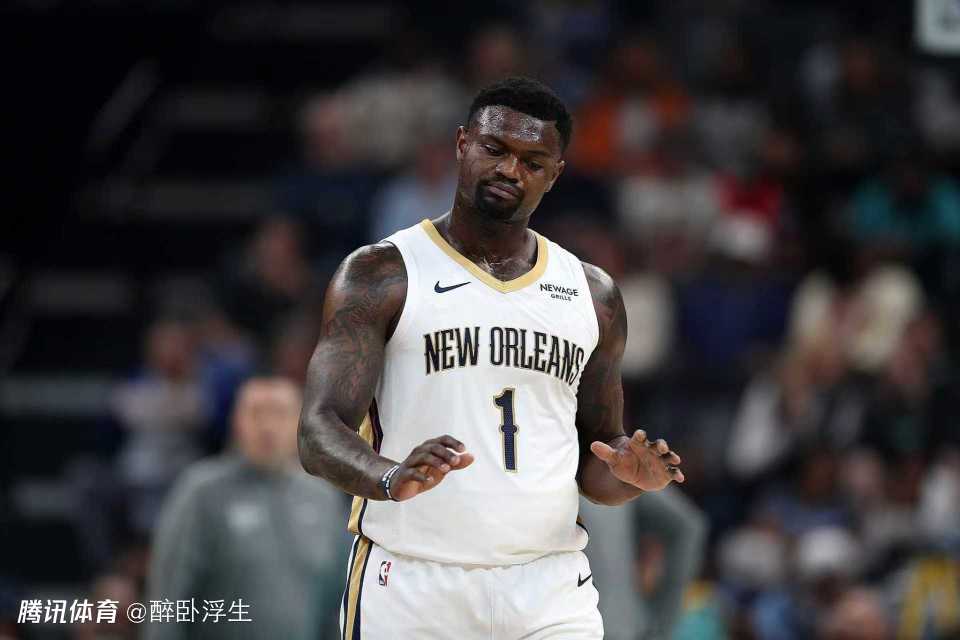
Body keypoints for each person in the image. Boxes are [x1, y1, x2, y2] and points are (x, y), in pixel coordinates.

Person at [298, 77, 685, 639]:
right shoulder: (381, 274)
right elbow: (317, 431)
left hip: (550, 586)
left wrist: (631, 478)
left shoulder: (593, 294)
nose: (510, 170)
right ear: (462, 144)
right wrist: (389, 476)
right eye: (495, 148)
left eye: (532, 161)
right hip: (413, 582)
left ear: (555, 174)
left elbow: (596, 459)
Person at [146, 378, 348, 640]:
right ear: (236, 422)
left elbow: (338, 600)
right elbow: (168, 596)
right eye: (256, 413)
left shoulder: (323, 497)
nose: (267, 426)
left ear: (300, 423)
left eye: (279, 413)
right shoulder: (202, 492)